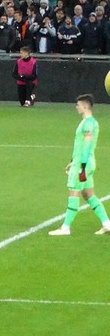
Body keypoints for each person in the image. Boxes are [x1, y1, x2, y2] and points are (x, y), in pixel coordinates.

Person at [49, 94, 110, 236]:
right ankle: (107, 223)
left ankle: (65, 228)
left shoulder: (88, 123)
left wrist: (81, 165)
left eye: (78, 105)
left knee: (73, 193)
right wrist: (73, 161)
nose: (76, 107)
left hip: (83, 164)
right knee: (88, 194)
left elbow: (87, 145)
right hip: (85, 163)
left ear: (84, 106)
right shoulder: (89, 122)